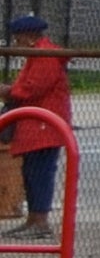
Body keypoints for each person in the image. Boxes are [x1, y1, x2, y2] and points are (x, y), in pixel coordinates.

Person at [4, 15, 70, 237]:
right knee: (31, 172)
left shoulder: (45, 56)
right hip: (36, 123)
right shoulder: (39, 54)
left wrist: (8, 91)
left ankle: (40, 221)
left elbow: (32, 88)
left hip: (44, 124)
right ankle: (33, 219)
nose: (16, 44)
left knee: (40, 172)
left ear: (29, 37)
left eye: (18, 38)